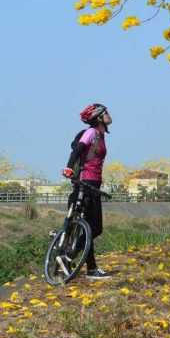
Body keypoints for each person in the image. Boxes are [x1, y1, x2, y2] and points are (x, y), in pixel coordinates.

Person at [62, 102, 111, 279]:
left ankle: (84, 263)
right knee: (94, 228)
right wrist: (68, 167)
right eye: (106, 113)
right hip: (86, 182)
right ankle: (74, 255)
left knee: (92, 228)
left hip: (94, 184)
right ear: (99, 117)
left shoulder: (100, 135)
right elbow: (78, 149)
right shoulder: (91, 133)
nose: (109, 115)